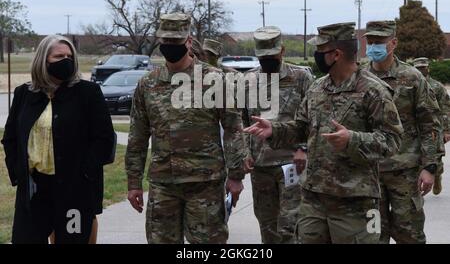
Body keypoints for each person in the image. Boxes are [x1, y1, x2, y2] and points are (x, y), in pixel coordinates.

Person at [244, 22, 403, 244]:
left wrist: (352, 140)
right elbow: (301, 127)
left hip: (354, 201)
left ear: (335, 54)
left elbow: (392, 140)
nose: (317, 55)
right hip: (313, 199)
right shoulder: (317, 88)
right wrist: (275, 130)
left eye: (320, 50)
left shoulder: (373, 91)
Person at [125, 12, 247, 244]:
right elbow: (138, 136)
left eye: (176, 41)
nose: (170, 46)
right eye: (166, 41)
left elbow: (233, 129)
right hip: (163, 185)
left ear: (189, 42)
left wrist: (236, 175)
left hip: (205, 184)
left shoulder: (215, 80)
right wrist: (133, 182)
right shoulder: (148, 84)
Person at [1, 35, 116, 244]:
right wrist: (17, 171)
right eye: (59, 56)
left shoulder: (87, 93)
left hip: (74, 189)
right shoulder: (24, 94)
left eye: (69, 56)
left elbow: (105, 139)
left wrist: (85, 171)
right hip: (34, 189)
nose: (66, 60)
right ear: (44, 60)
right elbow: (11, 138)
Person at [363, 21, 441, 243]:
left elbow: (430, 123)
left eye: (379, 42)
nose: (373, 46)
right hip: (370, 176)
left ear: (393, 43)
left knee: (409, 235)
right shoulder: (359, 78)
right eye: (370, 42)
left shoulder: (412, 77)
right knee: (373, 235)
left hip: (405, 173)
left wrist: (430, 166)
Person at [242, 26, 313, 243]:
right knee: (268, 228)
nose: (267, 60)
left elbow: (313, 120)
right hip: (261, 166)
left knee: (290, 227)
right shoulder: (248, 81)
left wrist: (303, 148)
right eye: (262, 57)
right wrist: (245, 152)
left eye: (271, 56)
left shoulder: (301, 78)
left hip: (291, 163)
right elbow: (242, 121)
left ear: (281, 51)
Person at [413, 57, 450, 195]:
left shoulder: (437, 86)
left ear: (428, 68)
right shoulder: (410, 85)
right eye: (418, 68)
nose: (421, 70)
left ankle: (437, 174)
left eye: (423, 68)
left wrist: (447, 130)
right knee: (416, 155)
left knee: (435, 154)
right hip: (416, 127)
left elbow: (446, 108)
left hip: (435, 127)